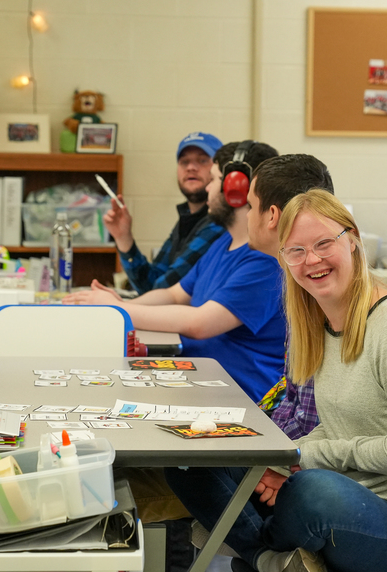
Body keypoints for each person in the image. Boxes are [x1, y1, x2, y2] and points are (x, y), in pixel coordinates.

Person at [166, 189, 387, 572]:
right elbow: (337, 426)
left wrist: (302, 460)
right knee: (191, 454)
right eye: (296, 251)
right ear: (283, 259)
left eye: (324, 244)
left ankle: (238, 533)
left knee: (309, 493)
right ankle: (268, 558)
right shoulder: (322, 328)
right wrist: (277, 463)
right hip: (335, 496)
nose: (312, 260)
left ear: (352, 239)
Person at [71, 140, 284, 403]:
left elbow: (200, 323)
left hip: (239, 400)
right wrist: (120, 304)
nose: (207, 186)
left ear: (236, 189)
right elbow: (173, 294)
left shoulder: (265, 262)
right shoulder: (223, 244)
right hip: (200, 384)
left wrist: (119, 310)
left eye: (215, 179)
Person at [248, 154, 335, 441]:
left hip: (311, 458)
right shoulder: (295, 281)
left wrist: (261, 447)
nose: (246, 216)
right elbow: (291, 393)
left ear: (271, 215)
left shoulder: (317, 290)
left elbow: (309, 419)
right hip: (293, 439)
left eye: (250, 206)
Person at [105, 132, 227, 293]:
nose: (191, 167)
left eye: (202, 160)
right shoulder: (186, 219)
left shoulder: (219, 221)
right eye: (184, 161)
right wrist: (123, 238)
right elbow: (150, 283)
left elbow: (162, 290)